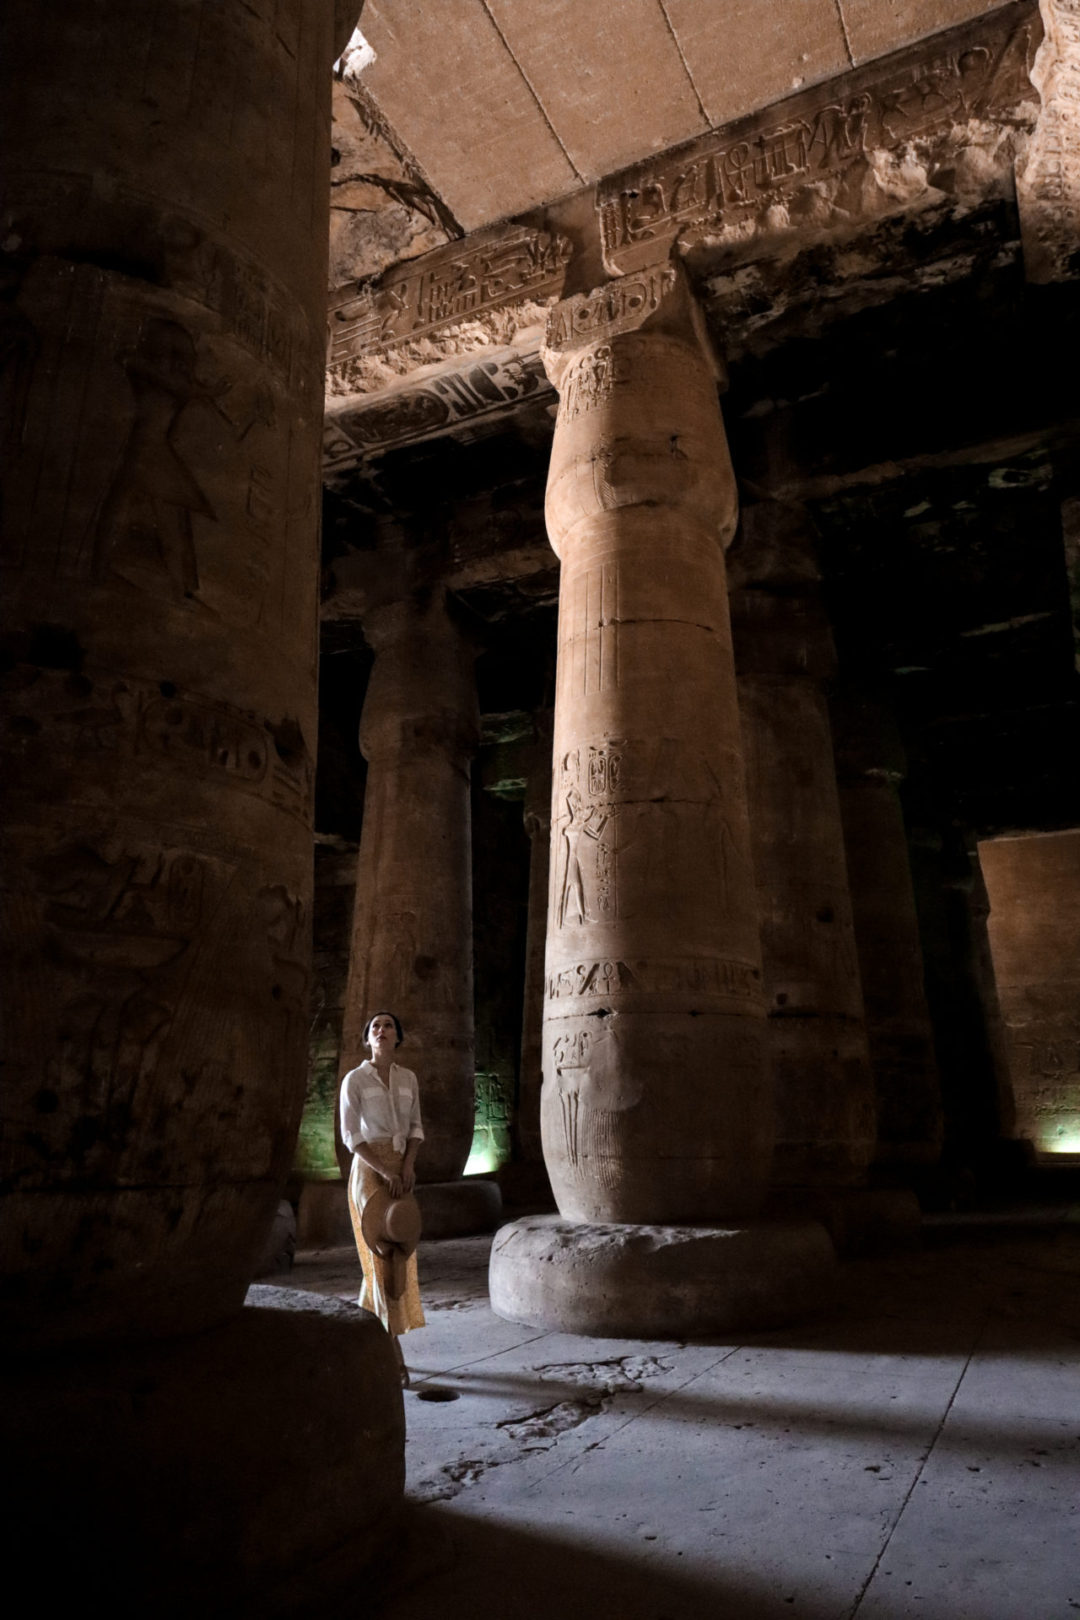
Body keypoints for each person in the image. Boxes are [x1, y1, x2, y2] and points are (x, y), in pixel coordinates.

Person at [339, 1011, 425, 1384]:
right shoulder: (355, 1080)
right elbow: (350, 1136)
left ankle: (365, 1335)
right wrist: (386, 1170)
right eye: (375, 1026)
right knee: (380, 1258)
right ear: (367, 1039)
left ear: (397, 1036)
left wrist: (407, 1166)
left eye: (388, 1025)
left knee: (399, 1257)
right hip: (370, 1169)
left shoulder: (408, 1078)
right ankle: (394, 1356)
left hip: (401, 1169)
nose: (381, 1030)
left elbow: (417, 1127)